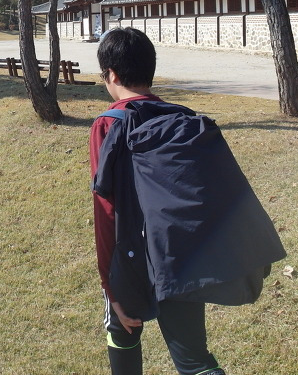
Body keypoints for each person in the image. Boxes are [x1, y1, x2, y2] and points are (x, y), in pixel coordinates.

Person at [90, 27, 226, 375]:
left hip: (129, 258)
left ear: (111, 75)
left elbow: (106, 210)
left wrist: (109, 286)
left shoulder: (109, 123)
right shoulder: (182, 118)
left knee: (123, 333)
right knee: (194, 359)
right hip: (180, 257)